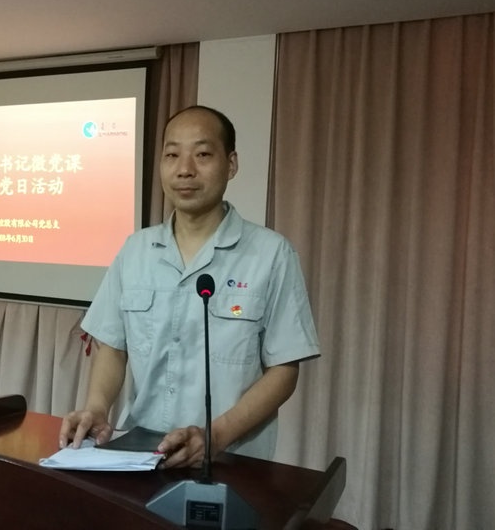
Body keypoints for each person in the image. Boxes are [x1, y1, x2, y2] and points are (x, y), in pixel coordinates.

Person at [59, 105, 319, 468]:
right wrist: (97, 408)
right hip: (141, 455)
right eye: (172, 155)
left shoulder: (271, 254)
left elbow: (284, 369)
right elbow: (113, 347)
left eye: (202, 154)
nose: (185, 169)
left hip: (232, 460)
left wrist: (215, 437)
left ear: (231, 164)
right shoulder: (135, 250)